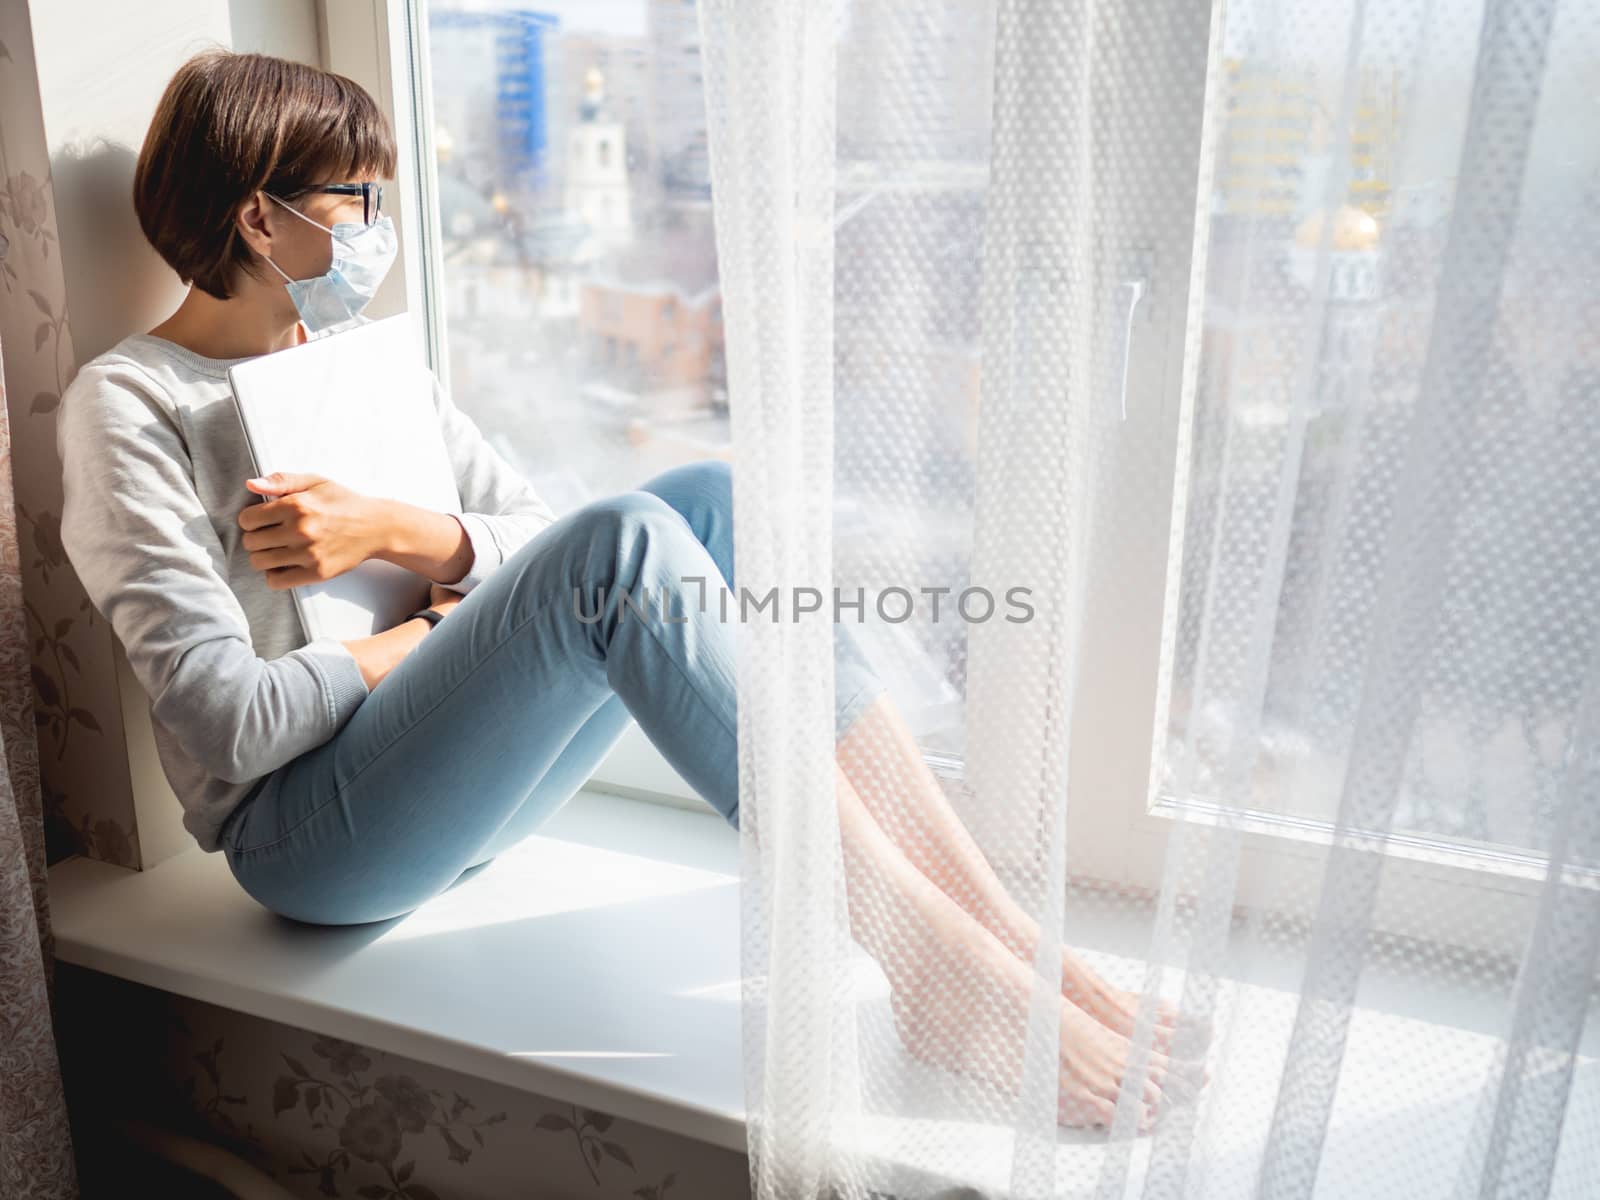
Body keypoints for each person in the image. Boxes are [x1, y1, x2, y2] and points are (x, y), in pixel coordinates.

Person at [55, 48, 1179, 1129]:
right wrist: (423, 642)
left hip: (448, 780)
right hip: (310, 841)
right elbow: (220, 718)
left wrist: (399, 530)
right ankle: (919, 956)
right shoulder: (132, 405)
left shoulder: (356, 365)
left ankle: (991, 933)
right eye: (360, 198)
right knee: (627, 543)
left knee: (710, 499)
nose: (379, 229)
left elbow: (532, 535)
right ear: (262, 218)